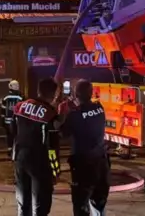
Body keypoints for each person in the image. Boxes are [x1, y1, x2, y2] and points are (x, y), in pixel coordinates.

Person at [57, 79, 110, 216]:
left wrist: (63, 113)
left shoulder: (74, 116)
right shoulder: (100, 109)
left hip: (83, 166)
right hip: (101, 163)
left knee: (81, 205)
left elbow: (62, 132)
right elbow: (87, 116)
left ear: (75, 94)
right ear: (91, 93)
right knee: (99, 203)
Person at [11, 78, 61, 216]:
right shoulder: (50, 114)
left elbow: (13, 133)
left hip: (20, 159)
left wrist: (14, 155)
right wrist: (55, 172)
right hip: (40, 162)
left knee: (23, 201)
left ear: (38, 91)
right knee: (41, 204)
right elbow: (52, 148)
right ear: (54, 94)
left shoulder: (20, 107)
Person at [1, 79, 23, 158]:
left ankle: (10, 150)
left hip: (7, 121)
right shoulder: (20, 97)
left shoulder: (5, 98)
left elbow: (3, 109)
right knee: (17, 136)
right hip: (17, 121)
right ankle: (16, 151)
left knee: (9, 136)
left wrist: (2, 120)